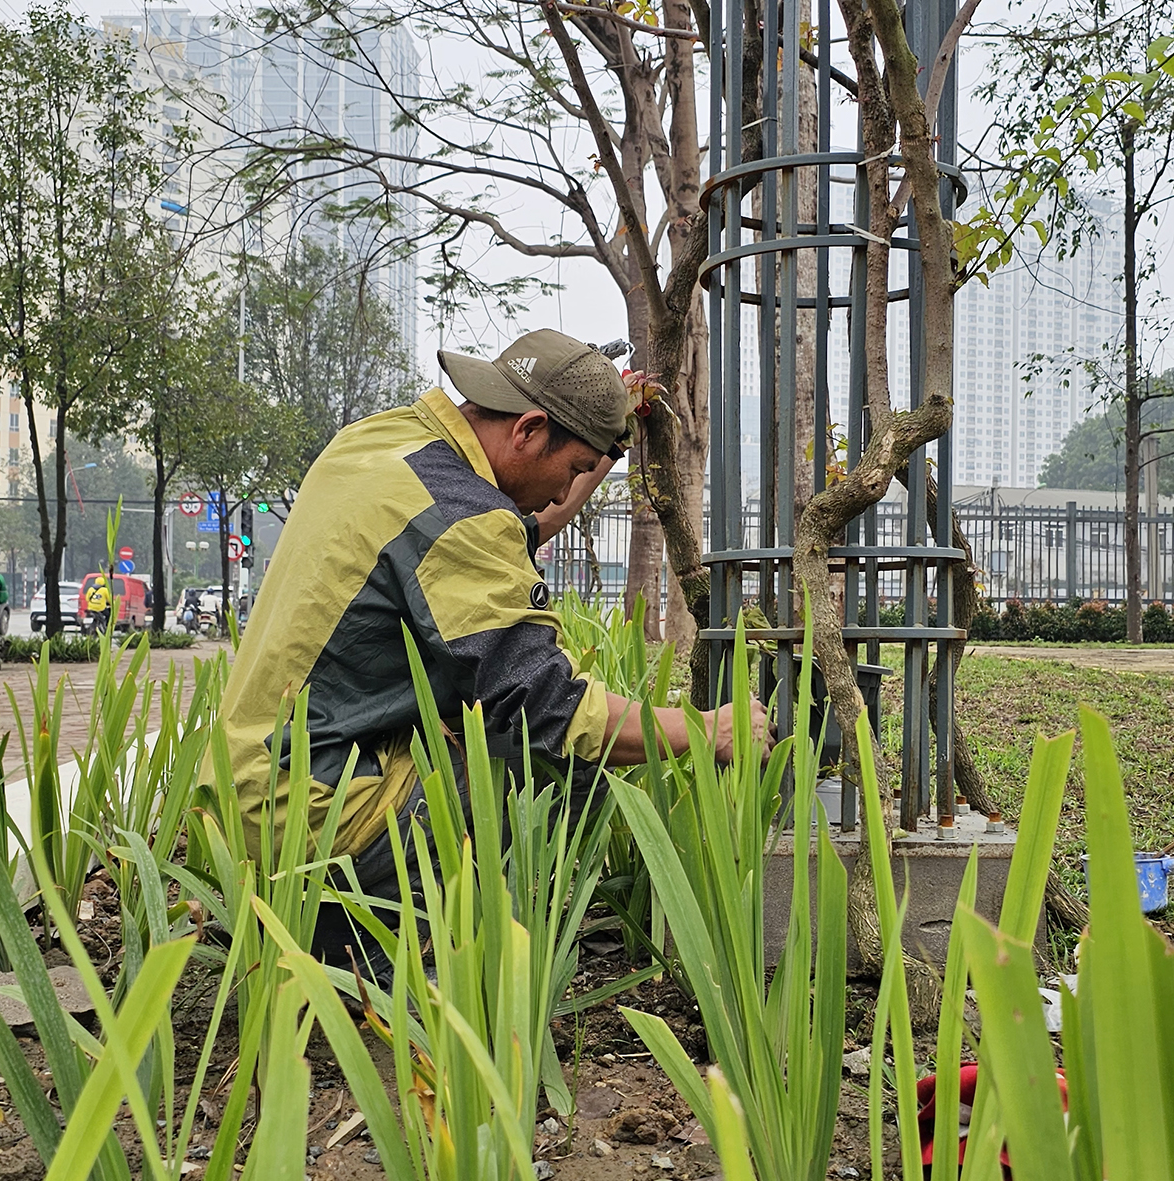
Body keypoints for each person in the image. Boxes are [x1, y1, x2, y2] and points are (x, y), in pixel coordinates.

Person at [216, 328, 773, 978]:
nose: (565, 494)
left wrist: (600, 447)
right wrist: (707, 728)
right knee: (530, 767)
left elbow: (501, 527)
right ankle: (385, 966)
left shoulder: (385, 444)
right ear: (529, 429)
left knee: (479, 732)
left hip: (249, 789)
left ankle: (340, 929)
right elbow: (550, 707)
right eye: (569, 470)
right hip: (307, 815)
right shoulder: (460, 519)